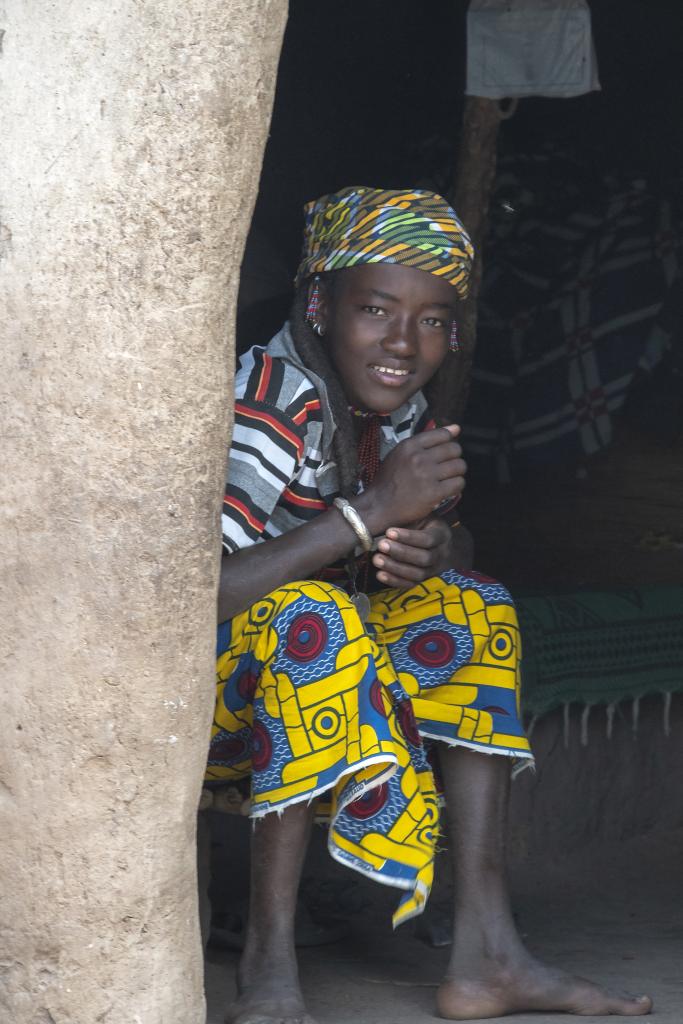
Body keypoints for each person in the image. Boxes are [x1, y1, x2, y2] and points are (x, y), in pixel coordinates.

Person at [206, 187, 652, 1023]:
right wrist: (365, 516)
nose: (403, 343)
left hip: (327, 699)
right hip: (203, 719)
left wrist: (435, 550)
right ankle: (268, 967)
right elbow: (198, 598)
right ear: (319, 303)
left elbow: (441, 544)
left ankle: (487, 950)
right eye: (375, 308)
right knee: (317, 620)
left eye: (434, 320)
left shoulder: (393, 407)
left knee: (471, 608)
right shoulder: (269, 397)